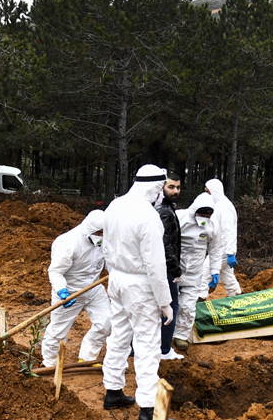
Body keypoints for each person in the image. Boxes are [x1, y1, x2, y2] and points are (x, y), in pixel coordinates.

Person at [101, 164, 174, 420]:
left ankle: (113, 390)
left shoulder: (114, 206)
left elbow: (106, 247)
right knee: (147, 343)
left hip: (117, 279)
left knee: (119, 334)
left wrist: (114, 274)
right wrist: (165, 302)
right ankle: (147, 408)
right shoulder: (147, 215)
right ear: (155, 187)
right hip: (140, 285)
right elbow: (155, 265)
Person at [41, 209, 111, 367]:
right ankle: (50, 364)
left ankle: (88, 357)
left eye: (104, 233)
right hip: (70, 290)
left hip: (93, 287)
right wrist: (61, 291)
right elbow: (55, 271)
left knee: (106, 321)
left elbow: (110, 261)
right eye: (98, 233)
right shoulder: (69, 243)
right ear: (90, 229)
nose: (101, 236)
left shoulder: (105, 239)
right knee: (58, 330)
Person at [173, 193, 223, 350]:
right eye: (202, 214)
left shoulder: (213, 225)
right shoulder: (180, 218)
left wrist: (215, 271)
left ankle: (180, 336)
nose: (205, 217)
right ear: (194, 210)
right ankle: (160, 335)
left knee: (188, 306)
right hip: (174, 269)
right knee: (169, 304)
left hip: (195, 272)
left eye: (208, 214)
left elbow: (215, 249)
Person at [155, 172, 184, 361]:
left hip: (159, 267)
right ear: (162, 188)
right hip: (165, 268)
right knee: (171, 306)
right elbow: (166, 243)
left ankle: (134, 347)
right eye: (171, 187)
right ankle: (165, 349)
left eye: (178, 187)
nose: (175, 191)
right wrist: (175, 268)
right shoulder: (164, 211)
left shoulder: (166, 208)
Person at [201, 178, 241, 297]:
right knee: (228, 278)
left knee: (204, 274)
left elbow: (229, 230)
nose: (206, 194)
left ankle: (198, 303)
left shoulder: (225, 207)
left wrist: (230, 253)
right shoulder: (217, 205)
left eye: (208, 192)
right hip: (219, 248)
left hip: (222, 250)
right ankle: (237, 299)